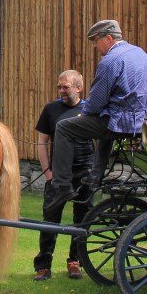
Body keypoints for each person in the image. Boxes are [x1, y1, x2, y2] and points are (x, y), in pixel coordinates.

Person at [48, 19, 147, 206]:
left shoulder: (110, 61)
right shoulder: (141, 54)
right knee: (105, 123)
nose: (96, 47)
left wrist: (86, 113)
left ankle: (61, 185)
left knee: (64, 127)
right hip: (142, 121)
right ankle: (96, 175)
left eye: (96, 41)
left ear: (108, 37)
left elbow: (97, 100)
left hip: (120, 122)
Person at [33, 70, 93, 282]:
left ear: (79, 87)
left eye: (65, 87)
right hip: (58, 175)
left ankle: (75, 262)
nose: (61, 91)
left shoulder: (89, 110)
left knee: (82, 219)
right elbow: (42, 141)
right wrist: (47, 172)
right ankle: (43, 265)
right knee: (50, 219)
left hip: (84, 173)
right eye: (59, 87)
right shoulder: (51, 109)